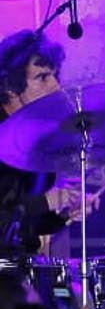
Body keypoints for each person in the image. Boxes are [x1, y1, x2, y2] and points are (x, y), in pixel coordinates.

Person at [0, 30, 82, 254]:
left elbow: (23, 225)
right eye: (42, 77)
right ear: (10, 86)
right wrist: (46, 201)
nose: (55, 86)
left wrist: (63, 213)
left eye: (55, 76)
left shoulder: (34, 137)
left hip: (19, 266)